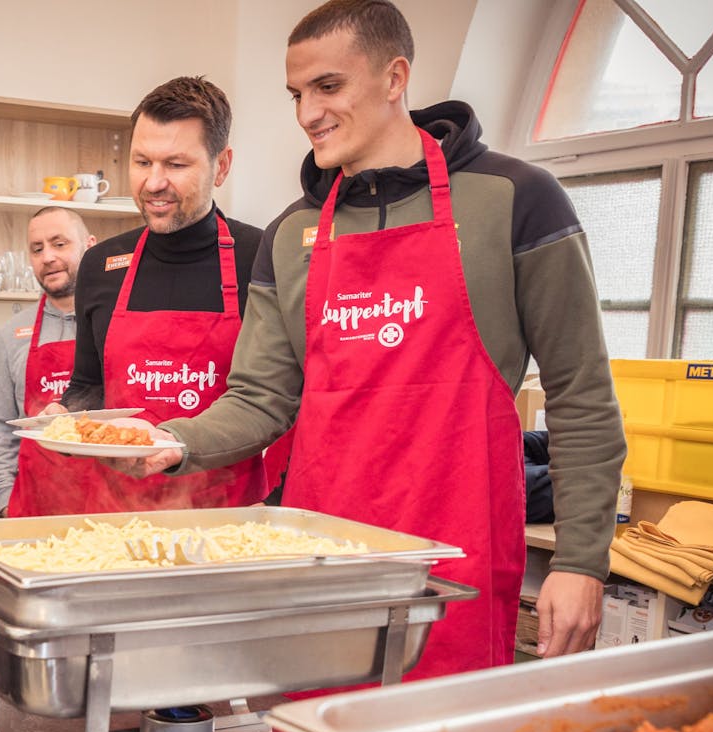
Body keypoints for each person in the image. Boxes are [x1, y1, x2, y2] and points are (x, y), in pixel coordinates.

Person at [119, 0, 626, 674]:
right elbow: (260, 398)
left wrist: (581, 559)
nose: (307, 113)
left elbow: (581, 395)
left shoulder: (514, 199)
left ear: (395, 78)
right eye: (298, 93)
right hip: (320, 567)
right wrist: (175, 439)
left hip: (455, 566)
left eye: (328, 87)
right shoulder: (293, 234)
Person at [54, 76, 276, 513]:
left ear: (222, 165)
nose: (153, 183)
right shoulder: (101, 266)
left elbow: (276, 399)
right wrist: (64, 417)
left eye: (175, 165)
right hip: (117, 516)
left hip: (230, 522)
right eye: (141, 162)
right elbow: (88, 385)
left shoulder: (262, 256)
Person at [0, 206, 98, 516]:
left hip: (111, 507)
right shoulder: (12, 335)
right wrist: (6, 501)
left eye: (59, 244)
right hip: (34, 510)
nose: (47, 257)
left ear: (90, 246)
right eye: (37, 249)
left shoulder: (116, 325)